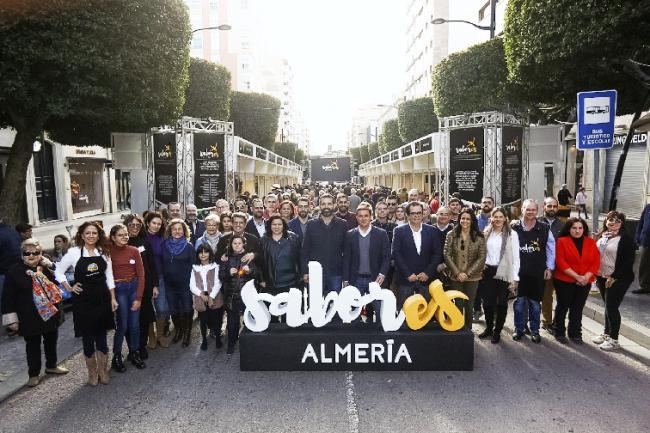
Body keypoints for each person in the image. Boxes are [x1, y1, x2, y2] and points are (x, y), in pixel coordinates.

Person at [55, 221, 117, 386]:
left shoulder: (104, 252)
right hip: (83, 301)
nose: (91, 236)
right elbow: (58, 271)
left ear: (99, 235)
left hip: (102, 298)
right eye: (88, 233)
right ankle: (92, 372)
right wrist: (69, 287)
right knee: (88, 337)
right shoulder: (74, 253)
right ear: (82, 235)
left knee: (102, 336)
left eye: (94, 233)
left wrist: (112, 298)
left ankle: (103, 371)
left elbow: (109, 276)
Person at [1, 238, 68, 387]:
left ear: (41, 253)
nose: (31, 256)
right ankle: (34, 374)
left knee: (51, 340)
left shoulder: (45, 266)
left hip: (50, 313)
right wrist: (12, 319)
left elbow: (60, 279)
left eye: (35, 252)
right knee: (32, 346)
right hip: (28, 316)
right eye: (27, 253)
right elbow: (7, 298)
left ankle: (51, 366)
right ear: (22, 255)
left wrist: (50, 265)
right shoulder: (14, 271)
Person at [510, 199, 555, 343]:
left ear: (537, 211)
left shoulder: (544, 228)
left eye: (533, 210)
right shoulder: (513, 227)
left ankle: (535, 330)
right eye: (527, 209)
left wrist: (549, 267)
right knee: (519, 303)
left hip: (537, 272)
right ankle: (519, 328)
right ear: (521, 209)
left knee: (535, 304)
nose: (530, 212)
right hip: (518, 272)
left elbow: (551, 249)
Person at [553, 217, 600, 344]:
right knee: (563, 306)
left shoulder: (590, 242)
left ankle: (575, 333)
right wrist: (577, 277)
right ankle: (559, 331)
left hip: (585, 281)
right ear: (569, 229)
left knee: (577, 308)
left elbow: (595, 262)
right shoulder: (562, 241)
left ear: (584, 229)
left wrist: (585, 277)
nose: (577, 231)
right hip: (564, 280)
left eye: (580, 228)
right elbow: (560, 262)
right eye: (574, 228)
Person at [593, 211, 635, 351]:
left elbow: (628, 262)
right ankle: (606, 334)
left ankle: (614, 339)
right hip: (602, 275)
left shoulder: (625, 239)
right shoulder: (602, 236)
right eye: (610, 219)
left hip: (618, 278)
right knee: (607, 306)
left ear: (622, 223)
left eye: (617, 220)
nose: (613, 223)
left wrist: (614, 276)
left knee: (611, 307)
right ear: (605, 221)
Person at [343, 203, 391, 322]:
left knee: (380, 312)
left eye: (366, 215)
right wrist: (345, 280)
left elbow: (386, 257)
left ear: (371, 217)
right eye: (360, 216)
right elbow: (346, 259)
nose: (363, 218)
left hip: (374, 279)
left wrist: (382, 273)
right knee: (354, 313)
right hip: (356, 279)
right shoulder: (350, 235)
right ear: (356, 217)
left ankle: (382, 338)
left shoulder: (381, 234)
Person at [478, 208, 520, 343]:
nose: (497, 219)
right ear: (491, 218)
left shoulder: (512, 235)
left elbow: (516, 258)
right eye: (495, 216)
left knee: (502, 303)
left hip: (504, 272)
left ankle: (497, 331)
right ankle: (489, 328)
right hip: (488, 271)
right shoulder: (486, 233)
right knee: (488, 303)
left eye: (500, 217)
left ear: (505, 218)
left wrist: (515, 278)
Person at [107, 224, 146, 371]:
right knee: (123, 325)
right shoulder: (108, 252)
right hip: (119, 290)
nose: (124, 237)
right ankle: (116, 356)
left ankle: (135, 352)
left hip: (133, 288)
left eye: (126, 234)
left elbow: (141, 275)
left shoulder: (134, 251)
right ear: (113, 237)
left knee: (135, 325)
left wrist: (138, 298)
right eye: (120, 235)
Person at [392, 202, 442, 308]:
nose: (417, 215)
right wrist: (408, 274)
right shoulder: (399, 231)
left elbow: (437, 253)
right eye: (413, 213)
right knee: (404, 312)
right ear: (408, 215)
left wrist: (427, 273)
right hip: (406, 279)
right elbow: (396, 253)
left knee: (426, 313)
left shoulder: (432, 231)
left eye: (419, 212)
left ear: (423, 214)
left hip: (426, 279)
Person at [443, 208, 486, 329]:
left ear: (472, 221)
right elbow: (446, 254)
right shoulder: (451, 234)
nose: (465, 221)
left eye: (468, 219)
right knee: (457, 303)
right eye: (463, 218)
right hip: (455, 276)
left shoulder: (479, 236)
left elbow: (481, 257)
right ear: (459, 219)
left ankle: (468, 330)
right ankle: (457, 329)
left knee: (469, 304)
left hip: (473, 277)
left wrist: (467, 273)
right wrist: (457, 273)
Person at [124, 214, 158, 358]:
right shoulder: (120, 243)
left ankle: (141, 346)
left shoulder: (145, 242)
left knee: (143, 319)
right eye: (132, 225)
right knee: (128, 319)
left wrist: (155, 285)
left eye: (138, 225)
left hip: (143, 286)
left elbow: (152, 265)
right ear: (126, 226)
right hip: (125, 287)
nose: (135, 228)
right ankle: (132, 348)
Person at [220, 234, 259, 354]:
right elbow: (221, 276)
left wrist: (250, 271)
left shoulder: (248, 257)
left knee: (249, 320)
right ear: (231, 245)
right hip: (232, 296)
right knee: (232, 323)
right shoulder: (226, 258)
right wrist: (228, 272)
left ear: (243, 245)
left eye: (239, 243)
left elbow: (256, 274)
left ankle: (250, 343)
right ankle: (231, 344)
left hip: (247, 296)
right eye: (234, 243)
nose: (237, 245)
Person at [301, 194, 348, 293]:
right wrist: (305, 271)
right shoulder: (311, 224)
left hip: (336, 273)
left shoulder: (342, 224)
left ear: (334, 205)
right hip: (315, 272)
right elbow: (305, 250)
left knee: (334, 304)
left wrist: (346, 276)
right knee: (315, 305)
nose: (326, 207)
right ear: (319, 206)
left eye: (329, 204)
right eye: (323, 204)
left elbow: (347, 252)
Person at [162, 219, 195, 348]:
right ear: (170, 231)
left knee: (187, 309)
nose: (177, 231)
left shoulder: (189, 246)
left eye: (180, 229)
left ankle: (187, 333)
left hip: (185, 285)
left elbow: (194, 267)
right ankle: (179, 331)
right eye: (174, 229)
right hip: (169, 284)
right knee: (174, 310)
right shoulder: (164, 245)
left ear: (184, 231)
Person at [260, 216, 301, 321]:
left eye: (279, 224)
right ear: (270, 226)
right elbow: (260, 261)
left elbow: (299, 257)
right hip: (272, 281)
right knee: (272, 312)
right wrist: (261, 279)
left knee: (288, 313)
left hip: (290, 281)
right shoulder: (264, 240)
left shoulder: (293, 238)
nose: (276, 227)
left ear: (284, 225)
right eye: (274, 224)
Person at [190, 244, 223, 350]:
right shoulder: (195, 268)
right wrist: (200, 294)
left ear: (210, 253)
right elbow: (192, 285)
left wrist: (211, 297)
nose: (203, 254)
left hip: (214, 295)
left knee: (216, 319)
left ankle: (218, 338)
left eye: (206, 252)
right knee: (203, 320)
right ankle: (204, 339)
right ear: (198, 254)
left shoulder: (215, 266)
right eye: (200, 252)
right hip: (201, 296)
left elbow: (218, 282)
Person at [539, 197, 564, 332]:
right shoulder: (536, 222)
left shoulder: (563, 225)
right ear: (544, 207)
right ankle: (527, 323)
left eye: (554, 206)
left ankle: (547, 322)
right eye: (549, 206)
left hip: (556, 266)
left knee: (548, 296)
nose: (552, 209)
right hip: (538, 265)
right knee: (532, 296)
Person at [144, 211, 169, 348]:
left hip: (160, 277)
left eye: (159, 224)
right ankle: (151, 336)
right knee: (148, 309)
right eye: (154, 223)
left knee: (162, 307)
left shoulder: (162, 238)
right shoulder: (142, 238)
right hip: (145, 279)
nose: (156, 226)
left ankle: (160, 334)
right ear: (147, 223)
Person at [633, 203, 650, 294]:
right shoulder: (648, 207)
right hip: (646, 241)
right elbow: (641, 223)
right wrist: (638, 236)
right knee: (644, 265)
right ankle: (644, 286)